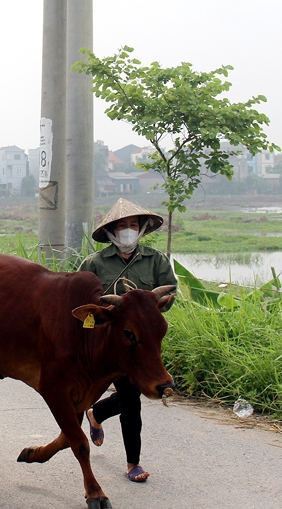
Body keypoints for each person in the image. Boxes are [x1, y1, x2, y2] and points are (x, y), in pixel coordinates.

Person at [77, 198, 177, 484]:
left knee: (133, 396)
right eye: (122, 227)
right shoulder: (94, 263)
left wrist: (156, 307)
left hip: (141, 345)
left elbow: (170, 292)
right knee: (130, 397)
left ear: (142, 229)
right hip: (106, 342)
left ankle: (103, 420)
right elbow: (81, 296)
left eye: (133, 225)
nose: (128, 231)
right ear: (110, 232)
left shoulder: (156, 260)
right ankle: (128, 456)